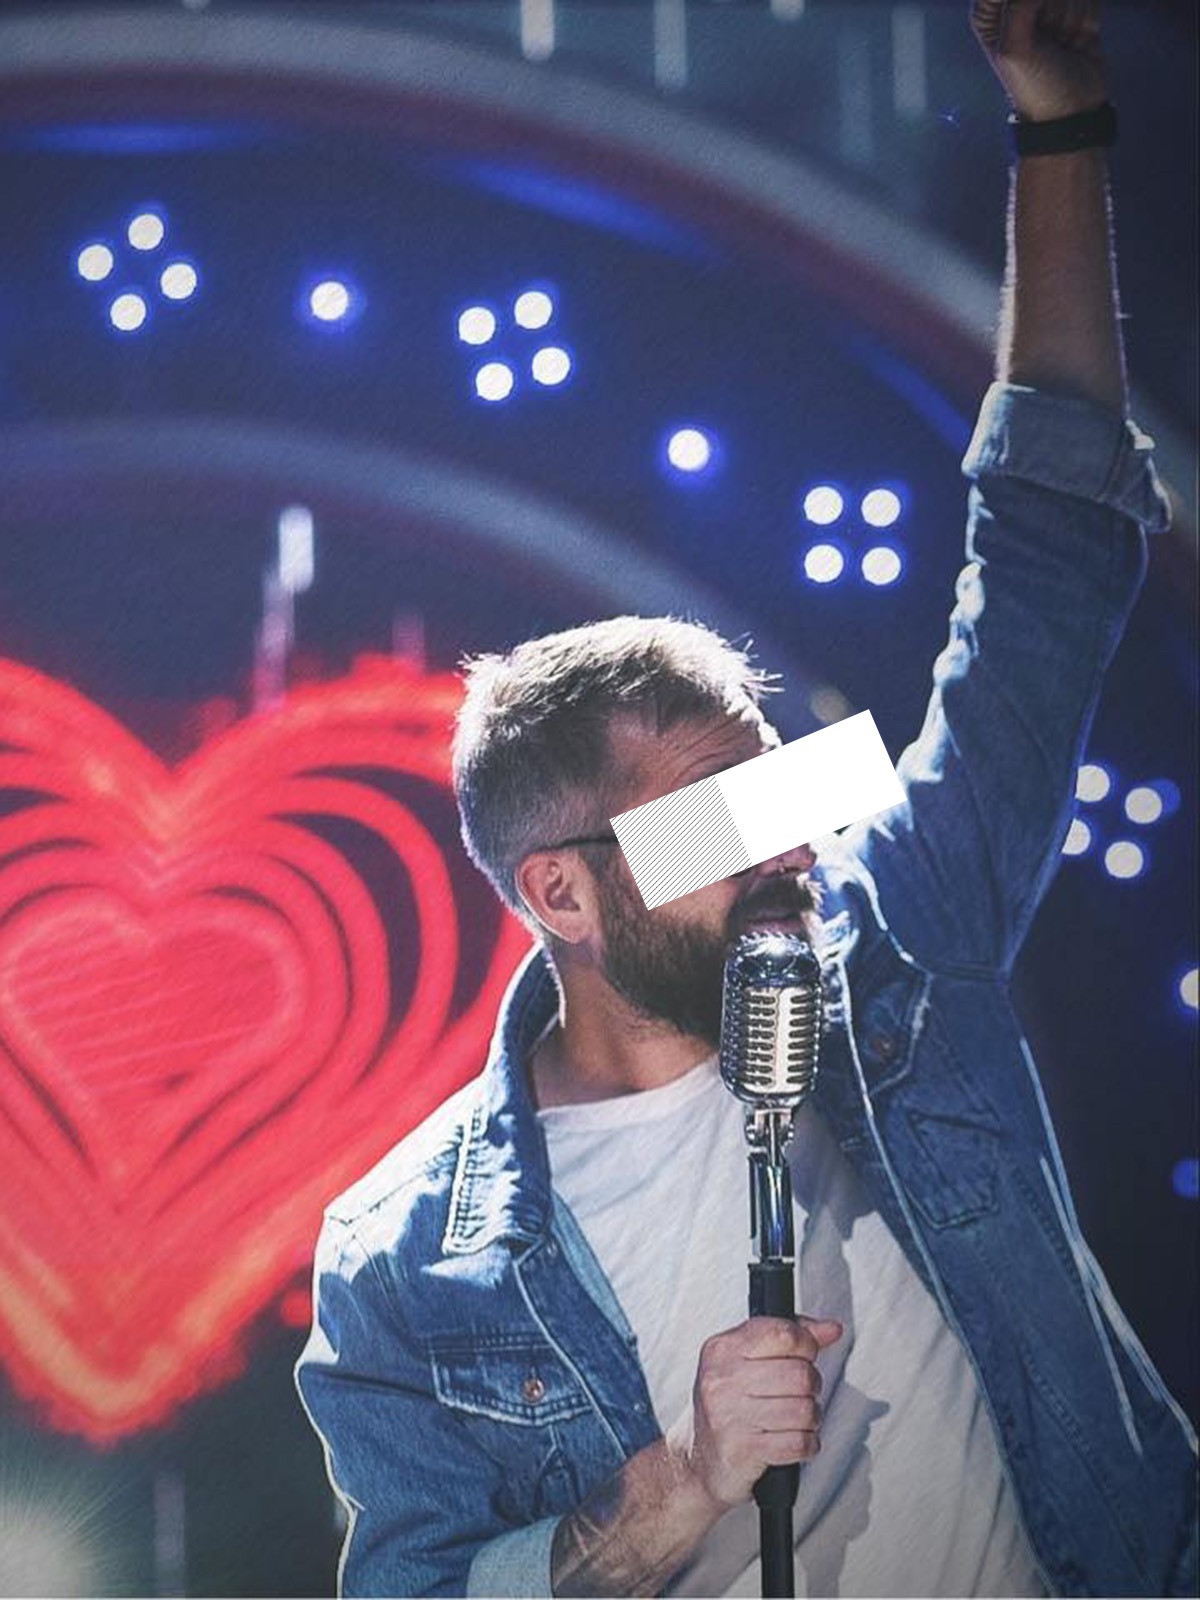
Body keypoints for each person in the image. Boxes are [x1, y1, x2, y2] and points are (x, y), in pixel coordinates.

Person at [296, 2, 1198, 1595]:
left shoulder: (893, 942)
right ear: (560, 893)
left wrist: (1059, 126)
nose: (783, 839)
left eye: (776, 788)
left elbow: (1051, 552)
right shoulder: (409, 1257)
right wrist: (681, 1492)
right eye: (709, 819)